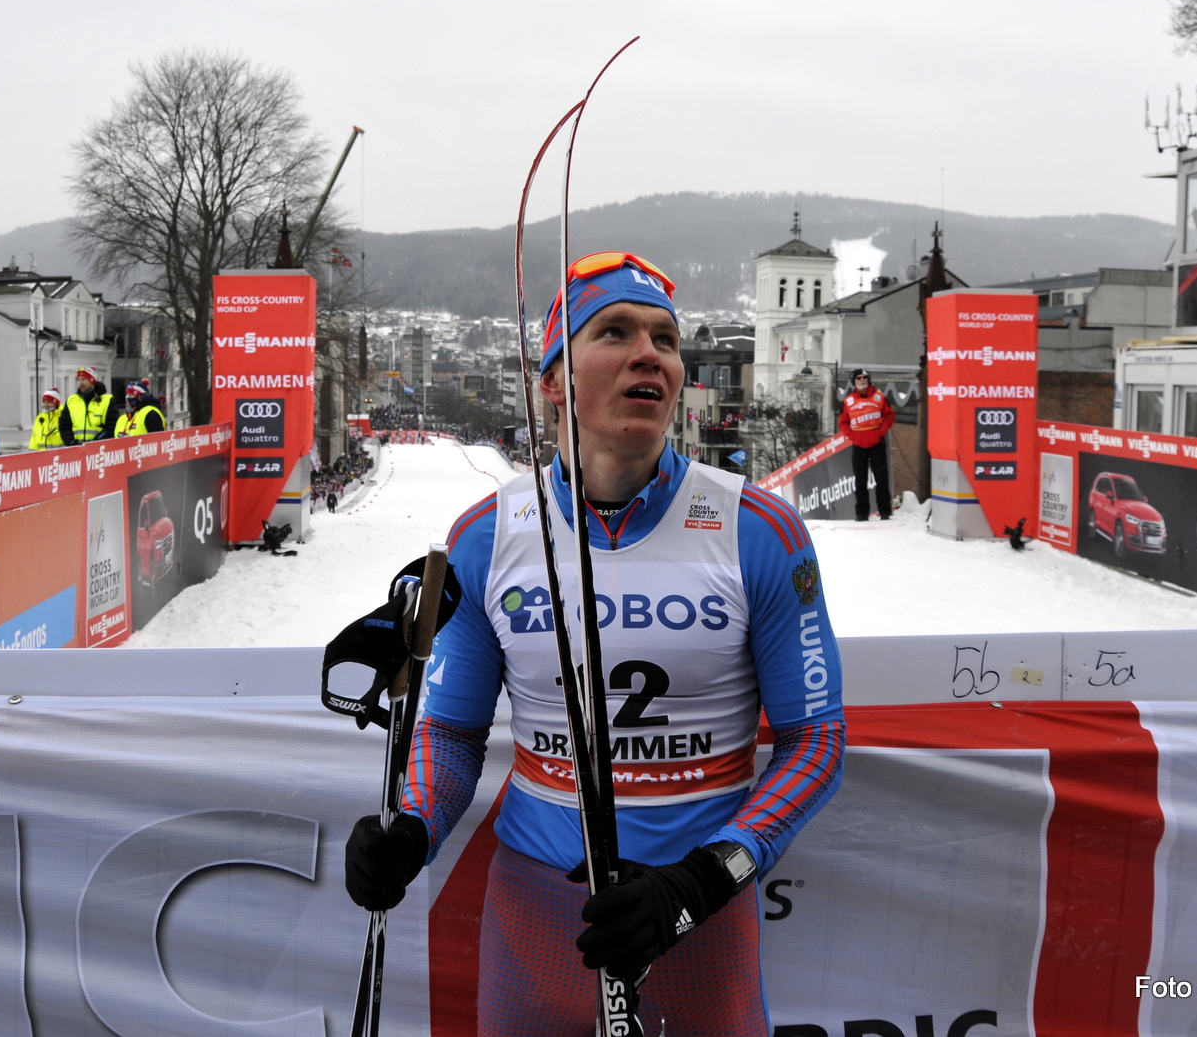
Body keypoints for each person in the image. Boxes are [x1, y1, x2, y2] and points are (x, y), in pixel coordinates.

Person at [344, 251, 845, 1035]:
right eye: (614, 332)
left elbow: (816, 741)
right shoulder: (486, 539)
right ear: (552, 381)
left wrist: (708, 878)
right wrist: (410, 828)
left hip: (694, 917)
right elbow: (450, 731)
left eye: (665, 340)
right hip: (539, 912)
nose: (651, 353)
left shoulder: (757, 530)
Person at [837, 367, 895, 521]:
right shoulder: (849, 401)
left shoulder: (879, 397)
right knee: (860, 481)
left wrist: (880, 432)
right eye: (859, 378)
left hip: (877, 444)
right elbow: (842, 422)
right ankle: (862, 514)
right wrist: (852, 436)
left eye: (865, 377)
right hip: (859, 446)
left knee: (881, 479)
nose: (862, 380)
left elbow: (889, 416)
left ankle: (885, 512)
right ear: (854, 382)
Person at [60, 367, 119, 445]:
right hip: (76, 449)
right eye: (78, 379)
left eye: (84, 379)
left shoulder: (107, 401)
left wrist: (95, 442)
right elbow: (64, 425)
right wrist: (71, 442)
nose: (80, 383)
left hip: (99, 449)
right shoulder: (71, 401)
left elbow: (111, 426)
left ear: (92, 381)